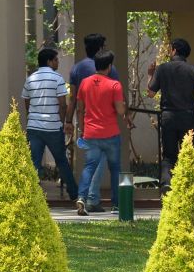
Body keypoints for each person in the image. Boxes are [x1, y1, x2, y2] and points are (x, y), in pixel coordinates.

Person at [147, 37, 194, 193]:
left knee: (169, 155)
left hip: (168, 116)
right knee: (188, 152)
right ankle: (189, 187)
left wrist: (150, 74)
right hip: (187, 117)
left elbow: (150, 93)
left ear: (174, 50)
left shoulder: (162, 69)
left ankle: (166, 183)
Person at [66, 33, 120, 212]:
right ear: (99, 49)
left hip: (89, 128)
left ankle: (84, 197)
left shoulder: (77, 70)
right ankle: (107, 201)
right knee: (112, 167)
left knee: (91, 165)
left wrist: (73, 122)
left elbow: (74, 99)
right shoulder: (111, 72)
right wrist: (125, 115)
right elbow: (118, 100)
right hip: (109, 129)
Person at [75, 50, 132, 216]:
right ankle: (116, 204)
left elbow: (80, 108)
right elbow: (120, 109)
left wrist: (82, 128)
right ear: (109, 66)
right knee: (115, 169)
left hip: (91, 133)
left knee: (89, 167)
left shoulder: (84, 83)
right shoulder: (115, 85)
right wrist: (124, 111)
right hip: (110, 133)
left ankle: (81, 198)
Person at [21, 47, 79, 203]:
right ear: (49, 61)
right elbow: (63, 104)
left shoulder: (30, 78)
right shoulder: (57, 78)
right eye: (56, 59)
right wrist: (62, 121)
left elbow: (26, 101)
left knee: (34, 162)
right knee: (61, 161)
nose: (58, 62)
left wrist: (32, 117)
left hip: (34, 127)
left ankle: (31, 197)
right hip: (53, 127)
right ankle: (75, 194)